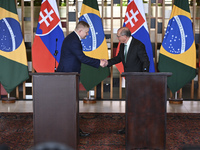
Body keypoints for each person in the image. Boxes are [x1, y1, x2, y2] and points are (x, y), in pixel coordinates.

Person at [57, 21, 107, 137]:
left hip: (70, 75)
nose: (87, 35)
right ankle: (69, 131)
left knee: (70, 104)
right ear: (80, 31)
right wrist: (99, 62)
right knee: (69, 105)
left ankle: (73, 130)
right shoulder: (74, 40)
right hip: (67, 76)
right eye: (86, 32)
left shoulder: (73, 38)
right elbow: (82, 58)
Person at [105, 27, 150, 134]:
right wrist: (107, 63)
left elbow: (146, 62)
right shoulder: (123, 45)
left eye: (118, 36)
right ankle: (130, 127)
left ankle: (140, 128)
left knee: (138, 105)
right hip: (129, 78)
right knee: (131, 104)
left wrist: (143, 78)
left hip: (138, 80)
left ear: (125, 36)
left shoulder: (138, 45)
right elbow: (119, 58)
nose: (117, 37)